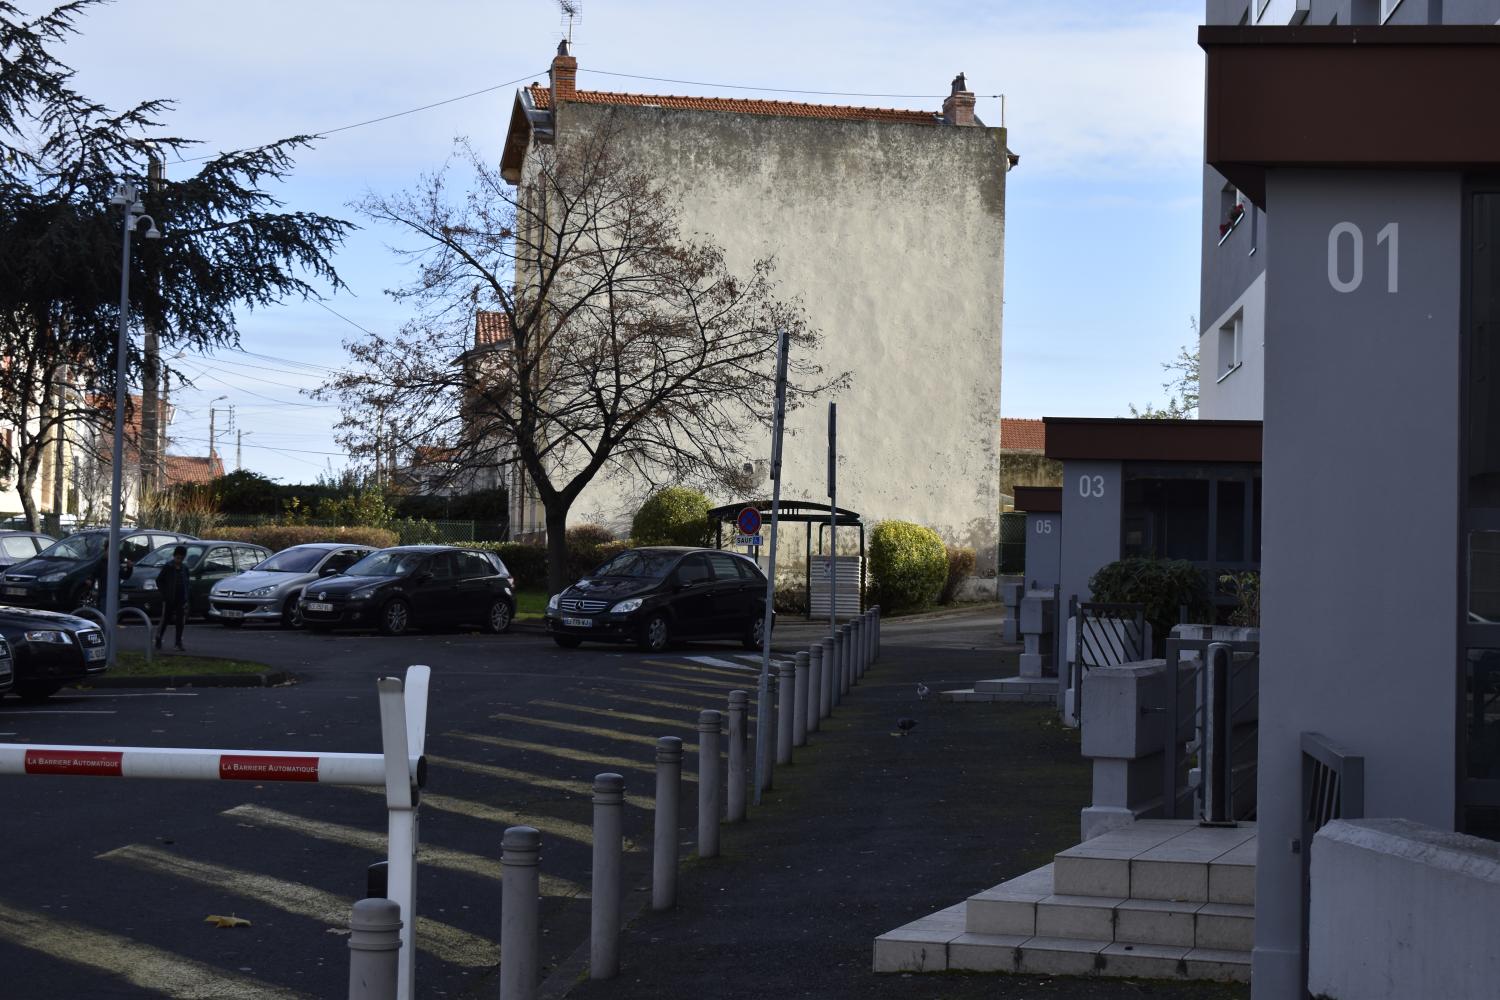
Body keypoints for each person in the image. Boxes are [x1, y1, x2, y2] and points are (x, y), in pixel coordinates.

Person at [154, 545, 190, 651]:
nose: (179, 560)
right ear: (174, 556)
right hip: (169, 598)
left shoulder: (184, 568)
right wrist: (164, 594)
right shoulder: (168, 567)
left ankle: (178, 642)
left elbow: (187, 583)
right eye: (177, 558)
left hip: (181, 598)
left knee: (180, 621)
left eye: (181, 558)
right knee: (165, 619)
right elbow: (159, 580)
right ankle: (158, 638)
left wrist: (186, 597)